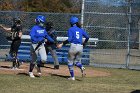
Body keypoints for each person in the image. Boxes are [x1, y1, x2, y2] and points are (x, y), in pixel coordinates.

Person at [57, 16, 89, 80]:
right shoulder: (80, 29)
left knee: (70, 62)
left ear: (72, 23)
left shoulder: (71, 29)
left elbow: (69, 39)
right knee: (77, 62)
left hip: (73, 46)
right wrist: (84, 43)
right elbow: (87, 37)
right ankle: (81, 67)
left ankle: (72, 77)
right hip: (80, 47)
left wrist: (62, 44)